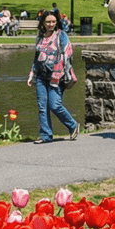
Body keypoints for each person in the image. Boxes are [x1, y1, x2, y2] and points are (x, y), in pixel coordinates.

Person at [27, 11, 80, 143]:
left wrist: (61, 70)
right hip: (41, 75)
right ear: (43, 23)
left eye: (53, 22)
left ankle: (73, 125)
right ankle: (46, 135)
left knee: (55, 105)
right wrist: (32, 74)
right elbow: (36, 58)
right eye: (48, 22)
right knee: (42, 106)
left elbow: (68, 54)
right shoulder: (40, 36)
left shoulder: (61, 36)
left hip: (57, 76)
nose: (51, 24)